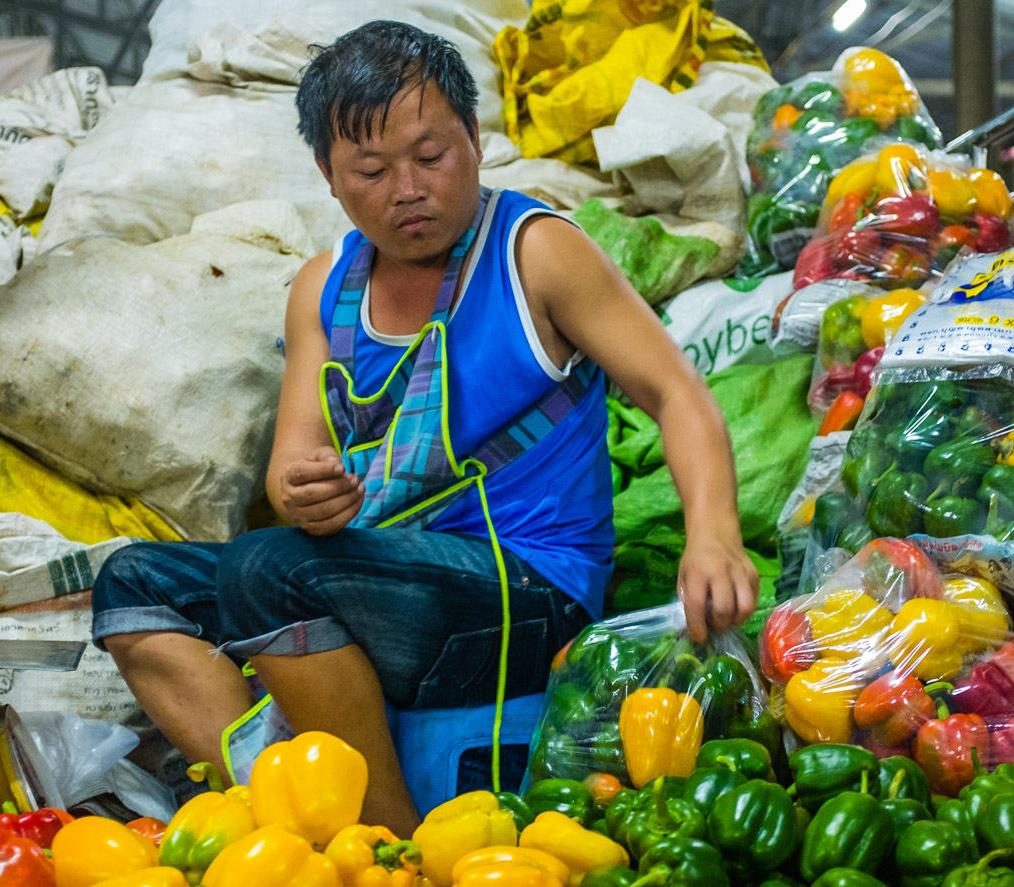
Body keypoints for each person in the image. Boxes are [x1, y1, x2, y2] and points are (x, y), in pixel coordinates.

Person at [92, 20, 757, 835]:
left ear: (475, 140)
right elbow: (292, 460)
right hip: (385, 580)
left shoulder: (536, 253)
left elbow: (677, 394)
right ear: (329, 179)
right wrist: (303, 492)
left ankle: (391, 845)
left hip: (525, 589)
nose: (408, 189)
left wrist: (714, 536)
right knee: (133, 583)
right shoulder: (322, 291)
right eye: (371, 170)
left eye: (431, 156)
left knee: (268, 569)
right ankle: (283, 800)